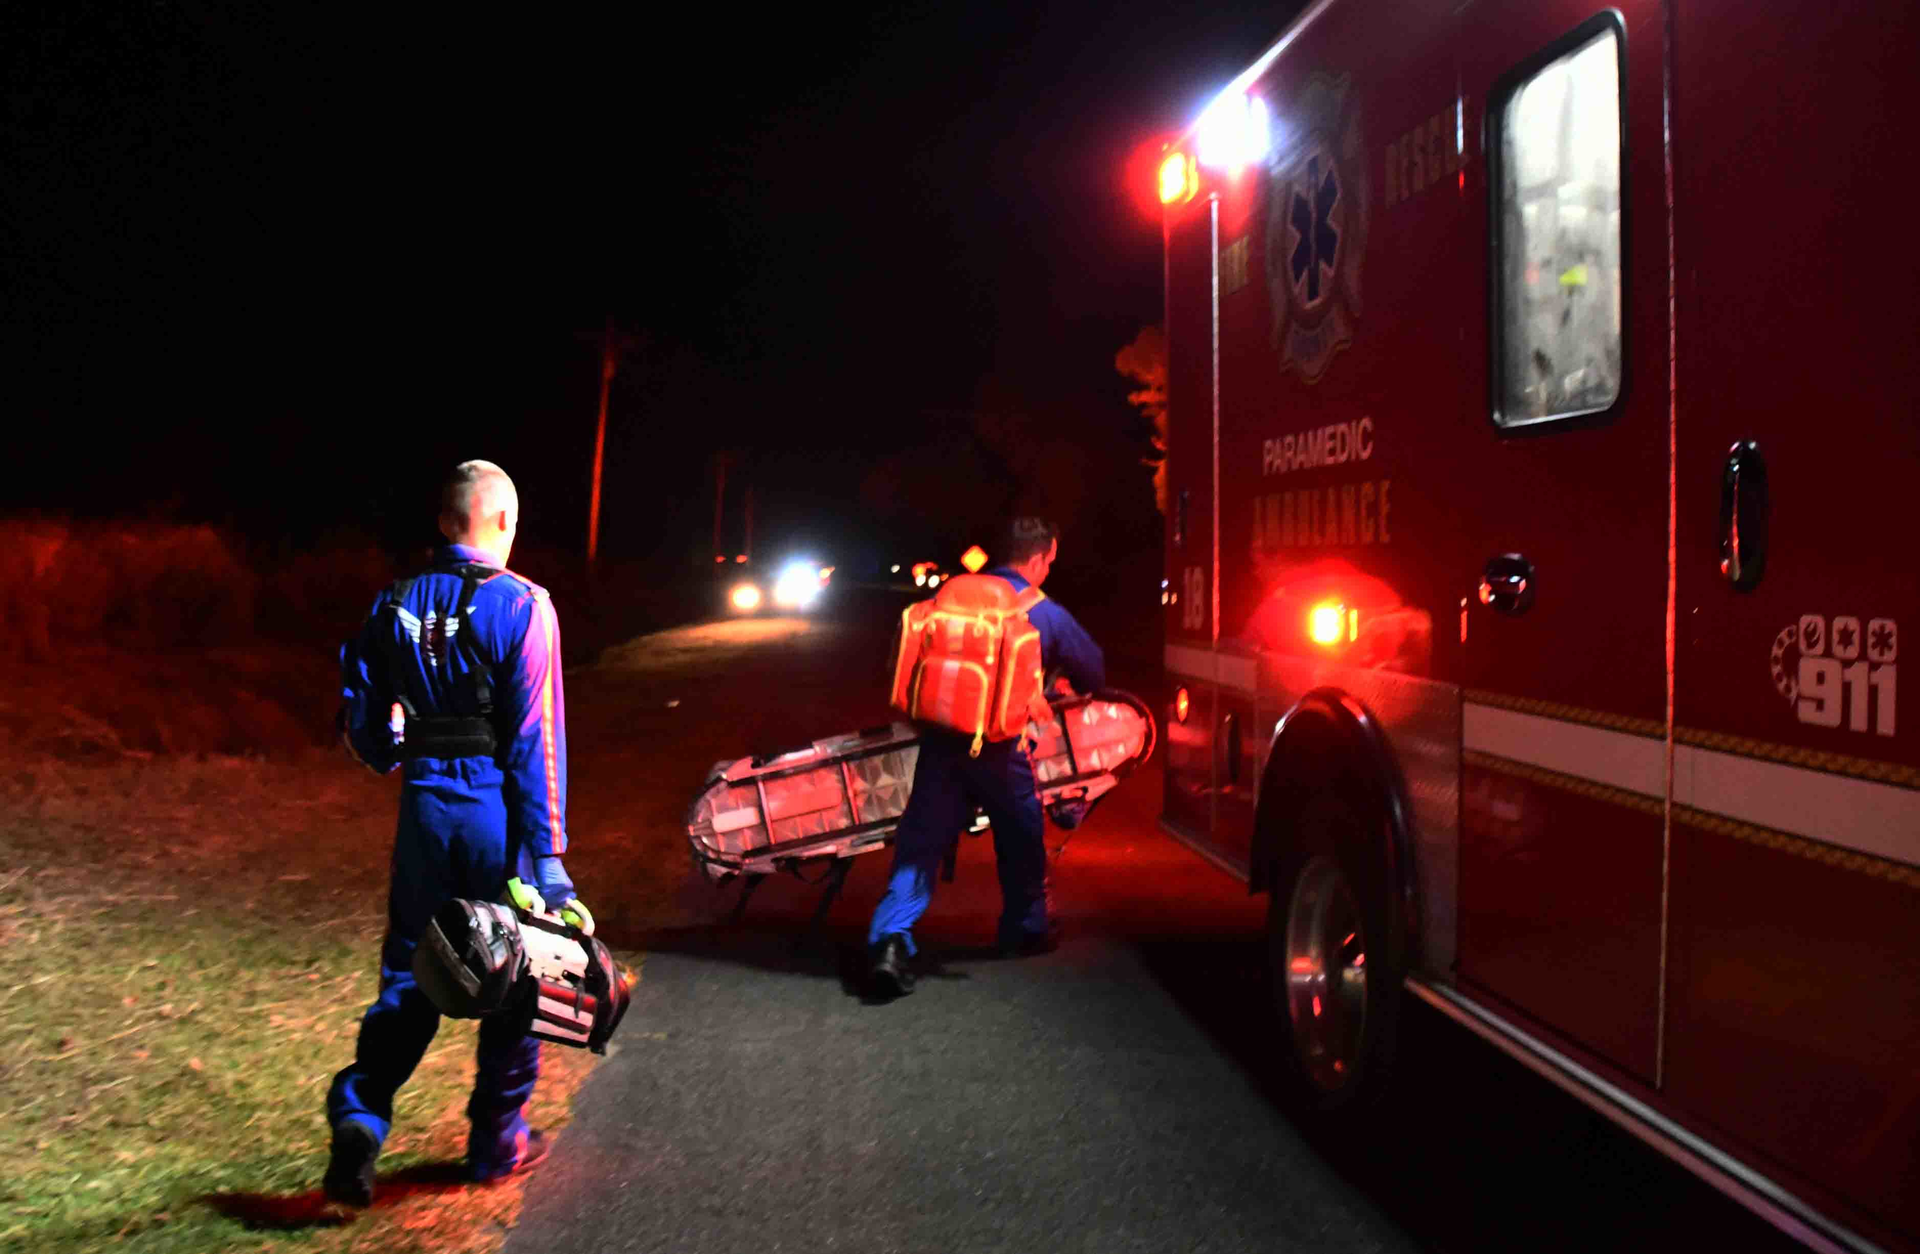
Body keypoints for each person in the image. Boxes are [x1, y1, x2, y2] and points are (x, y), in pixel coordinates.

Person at [323, 460, 593, 1206]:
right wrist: (550, 859)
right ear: (505, 522)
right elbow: (536, 743)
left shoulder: (394, 602)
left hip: (423, 817)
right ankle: (495, 1142)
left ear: (446, 523)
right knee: (519, 979)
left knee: (410, 974)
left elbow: (364, 713)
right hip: (494, 822)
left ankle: (361, 1117)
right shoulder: (524, 605)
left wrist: (390, 752)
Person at [866, 517, 1104, 997]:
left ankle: (890, 940)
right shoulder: (1041, 610)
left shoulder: (950, 599)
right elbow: (1093, 670)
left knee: (921, 842)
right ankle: (1025, 927)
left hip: (941, 742)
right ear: (1040, 558)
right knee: (1021, 833)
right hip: (1002, 748)